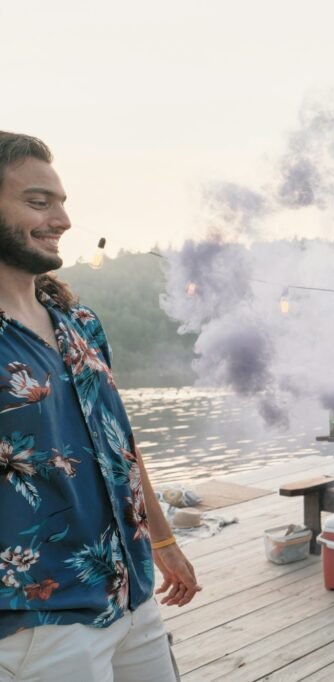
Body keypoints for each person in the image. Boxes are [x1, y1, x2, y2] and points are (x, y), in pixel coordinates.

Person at [0, 132, 200, 681]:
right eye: (38, 202)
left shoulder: (78, 323)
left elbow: (122, 447)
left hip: (132, 595)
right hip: (37, 621)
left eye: (62, 203)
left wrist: (162, 540)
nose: (62, 219)